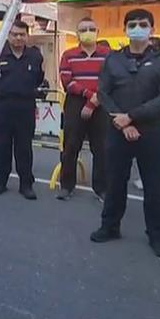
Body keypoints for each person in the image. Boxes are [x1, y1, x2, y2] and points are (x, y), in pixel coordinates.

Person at [92, 9, 160, 258]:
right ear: (125, 29)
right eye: (132, 24)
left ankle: (157, 235)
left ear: (152, 28)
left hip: (152, 133)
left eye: (143, 24)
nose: (137, 28)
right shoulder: (113, 59)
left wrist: (132, 117)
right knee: (115, 183)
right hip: (118, 130)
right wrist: (122, 122)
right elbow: (104, 93)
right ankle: (110, 226)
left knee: (154, 187)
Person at [0, 20, 44, 200]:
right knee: (1, 145)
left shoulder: (35, 56)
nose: (18, 38)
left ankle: (26, 184)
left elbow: (38, 79)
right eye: (14, 34)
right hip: (2, 106)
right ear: (8, 35)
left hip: (25, 107)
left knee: (24, 147)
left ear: (27, 36)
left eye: (22, 34)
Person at [57, 17, 110, 201]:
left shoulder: (108, 55)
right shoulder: (68, 55)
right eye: (83, 29)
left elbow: (111, 81)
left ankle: (101, 188)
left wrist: (94, 101)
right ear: (77, 34)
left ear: (97, 32)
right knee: (70, 146)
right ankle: (66, 186)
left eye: (91, 28)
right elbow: (67, 81)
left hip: (102, 104)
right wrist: (89, 95)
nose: (87, 32)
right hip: (75, 102)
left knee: (102, 148)